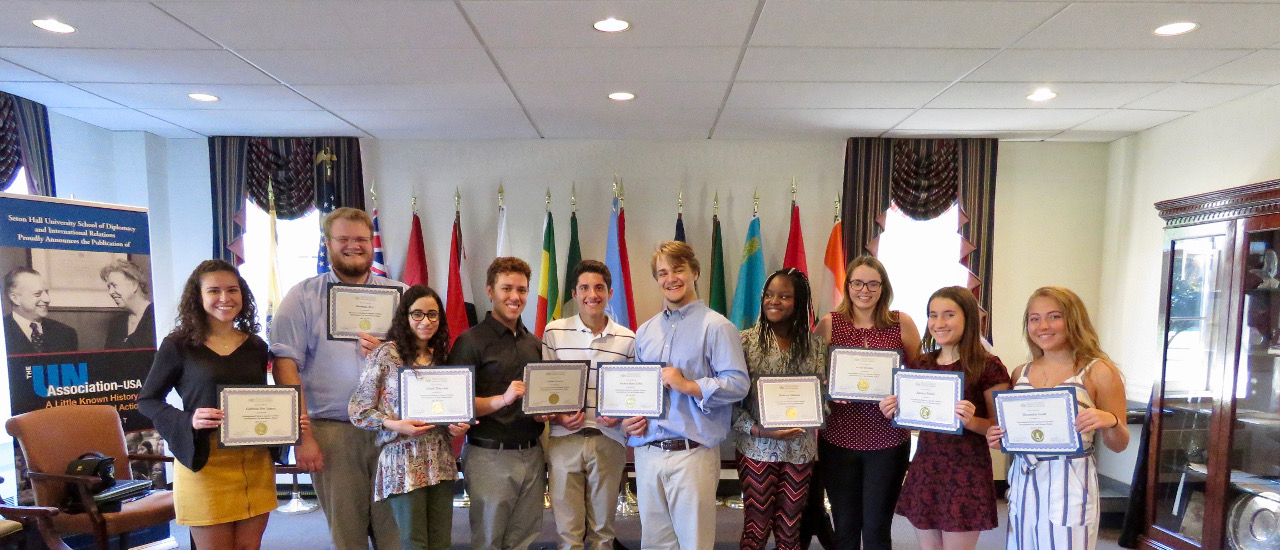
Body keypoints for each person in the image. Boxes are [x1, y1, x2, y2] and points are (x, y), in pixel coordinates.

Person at [269, 207, 405, 550]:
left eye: (361, 239)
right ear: (327, 243)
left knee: (397, 537)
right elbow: (285, 369)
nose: (353, 246)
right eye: (343, 239)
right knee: (349, 538)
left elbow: (424, 360)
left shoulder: (401, 296)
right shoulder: (300, 298)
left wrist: (392, 349)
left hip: (393, 432)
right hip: (333, 433)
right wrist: (302, 437)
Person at [137, 259, 292, 550]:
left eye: (232, 290)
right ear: (198, 297)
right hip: (205, 462)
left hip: (254, 461)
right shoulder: (178, 345)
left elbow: (259, 401)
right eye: (214, 291)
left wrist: (287, 420)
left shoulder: (256, 346)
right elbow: (147, 400)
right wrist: (189, 420)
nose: (225, 298)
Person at [622, 240, 749, 550]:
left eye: (678, 270)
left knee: (694, 544)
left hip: (692, 454)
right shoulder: (645, 331)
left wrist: (688, 385)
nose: (671, 278)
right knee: (655, 544)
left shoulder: (718, 327)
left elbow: (738, 384)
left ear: (695, 272)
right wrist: (629, 419)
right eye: (662, 272)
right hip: (648, 453)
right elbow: (636, 389)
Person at [987, 287, 1130, 550]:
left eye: (1054, 317)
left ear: (1073, 320)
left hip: (1070, 481)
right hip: (1024, 477)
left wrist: (1109, 420)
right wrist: (997, 437)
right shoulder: (1021, 372)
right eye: (1034, 318)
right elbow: (1012, 431)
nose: (1043, 326)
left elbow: (1120, 443)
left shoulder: (1098, 371)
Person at [878, 286, 1010, 550]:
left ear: (968, 318)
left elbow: (1002, 429)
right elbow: (917, 418)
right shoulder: (921, 365)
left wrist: (972, 421)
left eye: (948, 314)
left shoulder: (988, 365)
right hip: (926, 468)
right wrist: (895, 409)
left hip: (966, 473)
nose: (939, 323)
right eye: (932, 315)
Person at [349, 285, 470, 550]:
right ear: (405, 316)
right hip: (403, 459)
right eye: (418, 314)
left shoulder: (442, 358)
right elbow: (358, 410)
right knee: (414, 542)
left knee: (441, 541)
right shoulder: (386, 354)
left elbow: (443, 413)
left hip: (440, 459)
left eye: (433, 314)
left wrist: (455, 427)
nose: (426, 321)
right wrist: (396, 424)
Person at [815, 255, 921, 550]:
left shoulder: (902, 323)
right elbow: (813, 377)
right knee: (845, 529)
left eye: (873, 283)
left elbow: (919, 376)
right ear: (847, 286)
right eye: (858, 282)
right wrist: (827, 388)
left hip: (887, 443)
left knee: (877, 530)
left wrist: (903, 397)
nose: (865, 290)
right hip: (838, 440)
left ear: (883, 287)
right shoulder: (829, 324)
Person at [448, 257, 546, 550]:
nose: (515, 297)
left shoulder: (534, 344)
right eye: (507, 288)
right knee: (489, 542)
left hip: (532, 454)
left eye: (522, 290)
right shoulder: (470, 342)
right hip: (489, 455)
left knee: (523, 539)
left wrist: (545, 413)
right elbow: (457, 404)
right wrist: (501, 400)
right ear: (490, 291)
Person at [541, 260, 636, 550]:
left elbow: (633, 393)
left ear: (609, 292)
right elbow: (545, 391)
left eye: (599, 287)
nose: (591, 294)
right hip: (563, 441)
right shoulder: (554, 332)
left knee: (603, 533)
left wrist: (619, 417)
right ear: (574, 293)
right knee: (568, 533)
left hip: (609, 441)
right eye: (584, 287)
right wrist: (558, 417)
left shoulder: (628, 339)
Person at [732, 268, 827, 550]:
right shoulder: (743, 341)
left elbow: (823, 400)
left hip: (800, 448)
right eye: (770, 295)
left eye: (784, 296)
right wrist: (756, 428)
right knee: (757, 526)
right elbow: (728, 401)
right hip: (756, 446)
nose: (774, 301)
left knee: (789, 529)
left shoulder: (816, 345)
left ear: (798, 303)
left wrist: (824, 403)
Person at [4, 267, 78, 354]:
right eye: (37, 294)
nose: (47, 299)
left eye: (47, 292)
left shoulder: (66, 333)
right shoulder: (3, 331)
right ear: (15, 298)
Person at [100, 259, 156, 349]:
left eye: (114, 285)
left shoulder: (156, 317)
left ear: (134, 285)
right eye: (109, 287)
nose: (110, 292)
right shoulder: (116, 323)